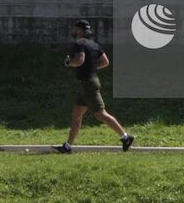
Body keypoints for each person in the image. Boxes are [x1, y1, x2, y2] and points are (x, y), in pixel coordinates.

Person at [53, 19, 135, 153]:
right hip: (87, 83)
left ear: (79, 30)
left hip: (88, 84)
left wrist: (68, 63)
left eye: (75, 29)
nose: (73, 31)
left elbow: (79, 60)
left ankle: (126, 137)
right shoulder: (94, 45)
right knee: (76, 115)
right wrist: (92, 66)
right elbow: (105, 62)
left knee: (101, 114)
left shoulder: (79, 43)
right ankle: (68, 146)